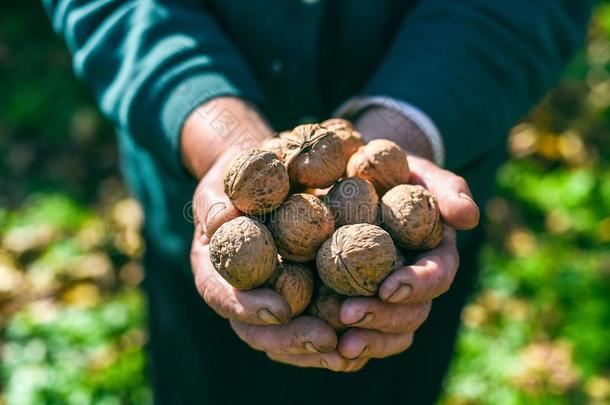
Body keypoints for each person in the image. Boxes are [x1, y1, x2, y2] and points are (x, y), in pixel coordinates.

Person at [43, 1, 593, 404]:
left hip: (438, 152)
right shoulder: (246, 208)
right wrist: (207, 119)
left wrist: (412, 119)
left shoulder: (382, 207)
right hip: (190, 189)